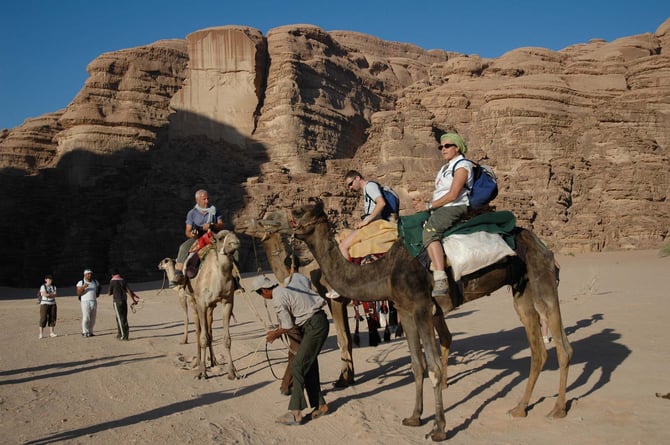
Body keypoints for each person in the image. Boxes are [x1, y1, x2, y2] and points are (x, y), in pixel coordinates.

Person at [251, 274, 329, 425]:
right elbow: (302, 279)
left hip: (314, 326)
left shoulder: (278, 298)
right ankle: (321, 405)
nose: (262, 296)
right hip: (317, 322)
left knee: (298, 367)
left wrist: (275, 334)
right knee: (309, 365)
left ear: (264, 290)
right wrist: (279, 330)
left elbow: (287, 326)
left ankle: (296, 413)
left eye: (259, 293)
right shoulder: (288, 286)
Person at [412, 132, 474, 297]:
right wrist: (425, 202)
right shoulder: (444, 168)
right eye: (441, 146)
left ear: (457, 147)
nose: (443, 149)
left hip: (455, 206)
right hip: (440, 207)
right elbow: (441, 192)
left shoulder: (463, 165)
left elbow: (453, 194)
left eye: (447, 146)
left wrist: (428, 205)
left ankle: (440, 277)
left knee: (430, 231)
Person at [171, 189, 224, 287]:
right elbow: (187, 231)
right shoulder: (192, 213)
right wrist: (192, 234)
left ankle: (235, 278)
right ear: (197, 200)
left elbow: (221, 225)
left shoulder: (214, 210)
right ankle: (178, 274)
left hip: (212, 236)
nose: (207, 201)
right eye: (204, 199)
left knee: (231, 248)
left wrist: (212, 225)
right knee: (183, 247)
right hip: (198, 237)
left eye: (208, 198)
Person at [279, 255, 314, 396]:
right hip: (309, 319)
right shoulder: (306, 280)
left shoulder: (287, 281)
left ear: (287, 268)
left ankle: (287, 385)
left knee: (294, 354)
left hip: (296, 322)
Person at [338, 170, 390, 259]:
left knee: (342, 247)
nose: (350, 187)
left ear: (357, 178)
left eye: (351, 183)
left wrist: (366, 222)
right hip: (372, 222)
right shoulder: (367, 188)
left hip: (373, 224)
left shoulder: (369, 186)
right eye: (348, 186)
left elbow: (381, 203)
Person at [108, 268, 141, 340]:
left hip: (117, 301)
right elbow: (128, 290)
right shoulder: (122, 280)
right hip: (124, 301)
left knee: (120, 319)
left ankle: (123, 336)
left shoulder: (112, 281)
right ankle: (120, 334)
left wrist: (112, 291)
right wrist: (134, 298)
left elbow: (109, 293)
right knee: (123, 318)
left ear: (112, 275)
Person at [76, 269, 101, 337]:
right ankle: (84, 332)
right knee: (86, 317)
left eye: (90, 274)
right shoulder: (81, 282)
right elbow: (78, 293)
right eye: (88, 274)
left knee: (93, 317)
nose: (90, 275)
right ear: (85, 275)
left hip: (93, 300)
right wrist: (84, 287)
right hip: (85, 301)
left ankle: (90, 331)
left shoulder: (95, 282)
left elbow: (99, 288)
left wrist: (97, 294)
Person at [38, 274, 58, 339]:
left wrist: (49, 295)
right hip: (44, 304)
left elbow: (55, 294)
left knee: (52, 318)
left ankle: (51, 332)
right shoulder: (43, 286)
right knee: (43, 318)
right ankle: (41, 334)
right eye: (48, 279)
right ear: (46, 280)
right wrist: (50, 295)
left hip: (53, 304)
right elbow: (44, 294)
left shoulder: (54, 286)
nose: (50, 281)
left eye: (51, 280)